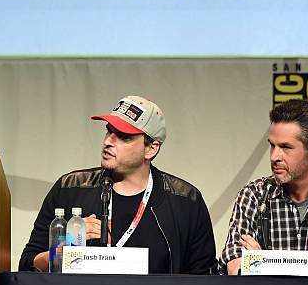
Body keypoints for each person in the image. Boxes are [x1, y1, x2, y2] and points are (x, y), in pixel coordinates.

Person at [19, 95, 216, 274]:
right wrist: (64, 251)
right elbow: (28, 264)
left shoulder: (185, 201)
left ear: (151, 149)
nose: (108, 142)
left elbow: (204, 279)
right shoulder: (70, 188)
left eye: (123, 136)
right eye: (109, 131)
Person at [218, 99, 308, 275]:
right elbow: (235, 266)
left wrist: (264, 262)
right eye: (272, 145)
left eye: (286, 147)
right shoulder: (254, 194)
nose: (274, 156)